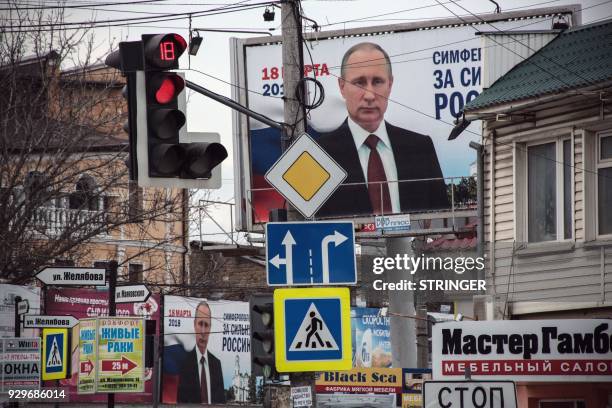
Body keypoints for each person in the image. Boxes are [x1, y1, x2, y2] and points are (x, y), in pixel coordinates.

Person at [316, 42, 448, 217]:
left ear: (390, 85)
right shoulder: (320, 155)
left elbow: (442, 217)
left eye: (377, 82)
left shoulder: (421, 148)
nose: (369, 95)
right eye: (359, 82)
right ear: (342, 86)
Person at [177, 301, 226, 404]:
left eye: (206, 325)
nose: (203, 332)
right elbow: (181, 403)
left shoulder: (217, 364)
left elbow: (221, 402)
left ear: (210, 328)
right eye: (200, 324)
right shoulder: (184, 364)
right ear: (194, 325)